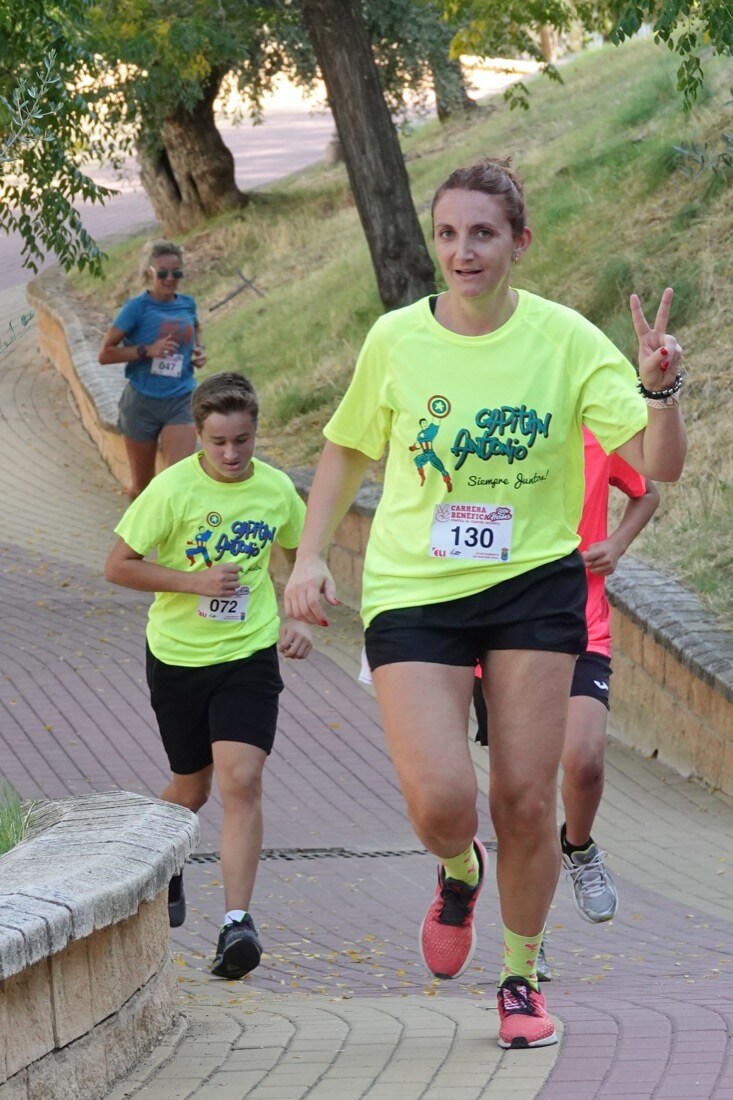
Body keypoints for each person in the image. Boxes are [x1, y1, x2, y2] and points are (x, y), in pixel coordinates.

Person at [284, 156, 686, 1049]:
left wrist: (657, 388)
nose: (463, 251)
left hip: (532, 587)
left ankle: (518, 973)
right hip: (415, 590)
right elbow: (347, 449)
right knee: (440, 800)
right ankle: (456, 866)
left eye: (483, 234)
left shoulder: (565, 339)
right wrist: (308, 558)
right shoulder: (394, 338)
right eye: (448, 234)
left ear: (517, 243)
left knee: (523, 797)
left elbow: (656, 467)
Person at [104, 371, 312, 979]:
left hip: (247, 655)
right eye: (217, 442)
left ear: (255, 434)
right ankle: (160, 860)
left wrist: (300, 614)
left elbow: (304, 555)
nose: (230, 454)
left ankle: (235, 925)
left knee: (241, 780)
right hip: (177, 657)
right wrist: (193, 581)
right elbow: (118, 566)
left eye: (242, 440)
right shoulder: (171, 491)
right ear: (197, 435)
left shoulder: (276, 491)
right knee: (190, 792)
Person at [472, 430, 660, 980]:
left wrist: (618, 543)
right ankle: (528, 934)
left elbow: (647, 491)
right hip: (502, 637)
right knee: (522, 798)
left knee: (583, 760)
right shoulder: (493, 437)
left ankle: (578, 847)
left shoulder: (597, 436)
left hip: (582, 629)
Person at [99, 240, 207, 501]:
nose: (170, 279)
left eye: (176, 273)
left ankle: (172, 540)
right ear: (150, 272)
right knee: (142, 488)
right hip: (141, 403)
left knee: (178, 481)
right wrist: (146, 350)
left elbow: (195, 327)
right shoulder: (136, 308)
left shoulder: (187, 304)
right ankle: (138, 540)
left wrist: (198, 350)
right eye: (163, 273)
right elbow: (105, 354)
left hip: (180, 398)